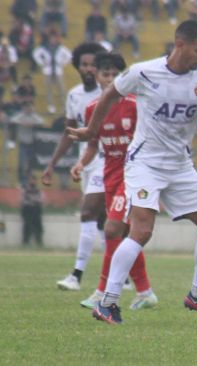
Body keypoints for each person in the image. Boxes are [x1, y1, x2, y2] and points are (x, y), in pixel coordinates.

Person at [68, 20, 197, 324]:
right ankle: (108, 302)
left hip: (181, 165)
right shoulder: (144, 72)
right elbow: (109, 95)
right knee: (141, 231)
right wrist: (91, 131)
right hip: (145, 164)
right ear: (180, 44)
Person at [69, 51, 157, 311]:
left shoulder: (134, 104)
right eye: (104, 74)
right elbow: (93, 144)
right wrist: (81, 164)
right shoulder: (91, 108)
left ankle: (102, 292)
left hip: (133, 174)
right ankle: (145, 292)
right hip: (111, 174)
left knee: (111, 230)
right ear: (95, 75)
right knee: (127, 234)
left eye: (114, 75)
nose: (109, 79)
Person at [41, 42, 107, 291]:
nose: (89, 68)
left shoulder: (108, 94)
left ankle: (76, 276)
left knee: (88, 213)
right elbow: (69, 133)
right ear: (77, 66)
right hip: (86, 162)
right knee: (102, 221)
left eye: (93, 64)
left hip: (106, 160)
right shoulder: (74, 95)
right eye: (84, 64)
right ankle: (121, 278)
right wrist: (52, 164)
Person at [21, 174, 43, 246]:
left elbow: (40, 200)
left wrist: (33, 200)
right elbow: (23, 200)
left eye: (33, 180)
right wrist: (32, 200)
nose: (32, 182)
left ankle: (39, 242)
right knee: (27, 227)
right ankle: (25, 242)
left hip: (36, 210)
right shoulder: (25, 190)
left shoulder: (38, 190)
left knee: (38, 227)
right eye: (31, 180)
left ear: (36, 181)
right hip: (27, 210)